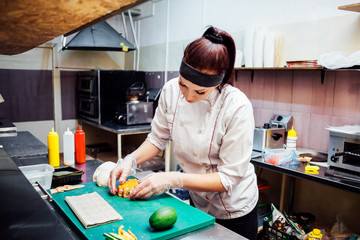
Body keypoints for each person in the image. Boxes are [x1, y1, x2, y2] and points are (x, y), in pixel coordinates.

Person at [108, 26, 258, 239]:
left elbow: (227, 179)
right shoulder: (170, 91)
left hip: (234, 210)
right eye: (183, 84)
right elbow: (157, 138)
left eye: (200, 91)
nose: (188, 96)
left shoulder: (236, 106)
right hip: (197, 203)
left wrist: (172, 179)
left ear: (218, 84)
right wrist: (130, 161)